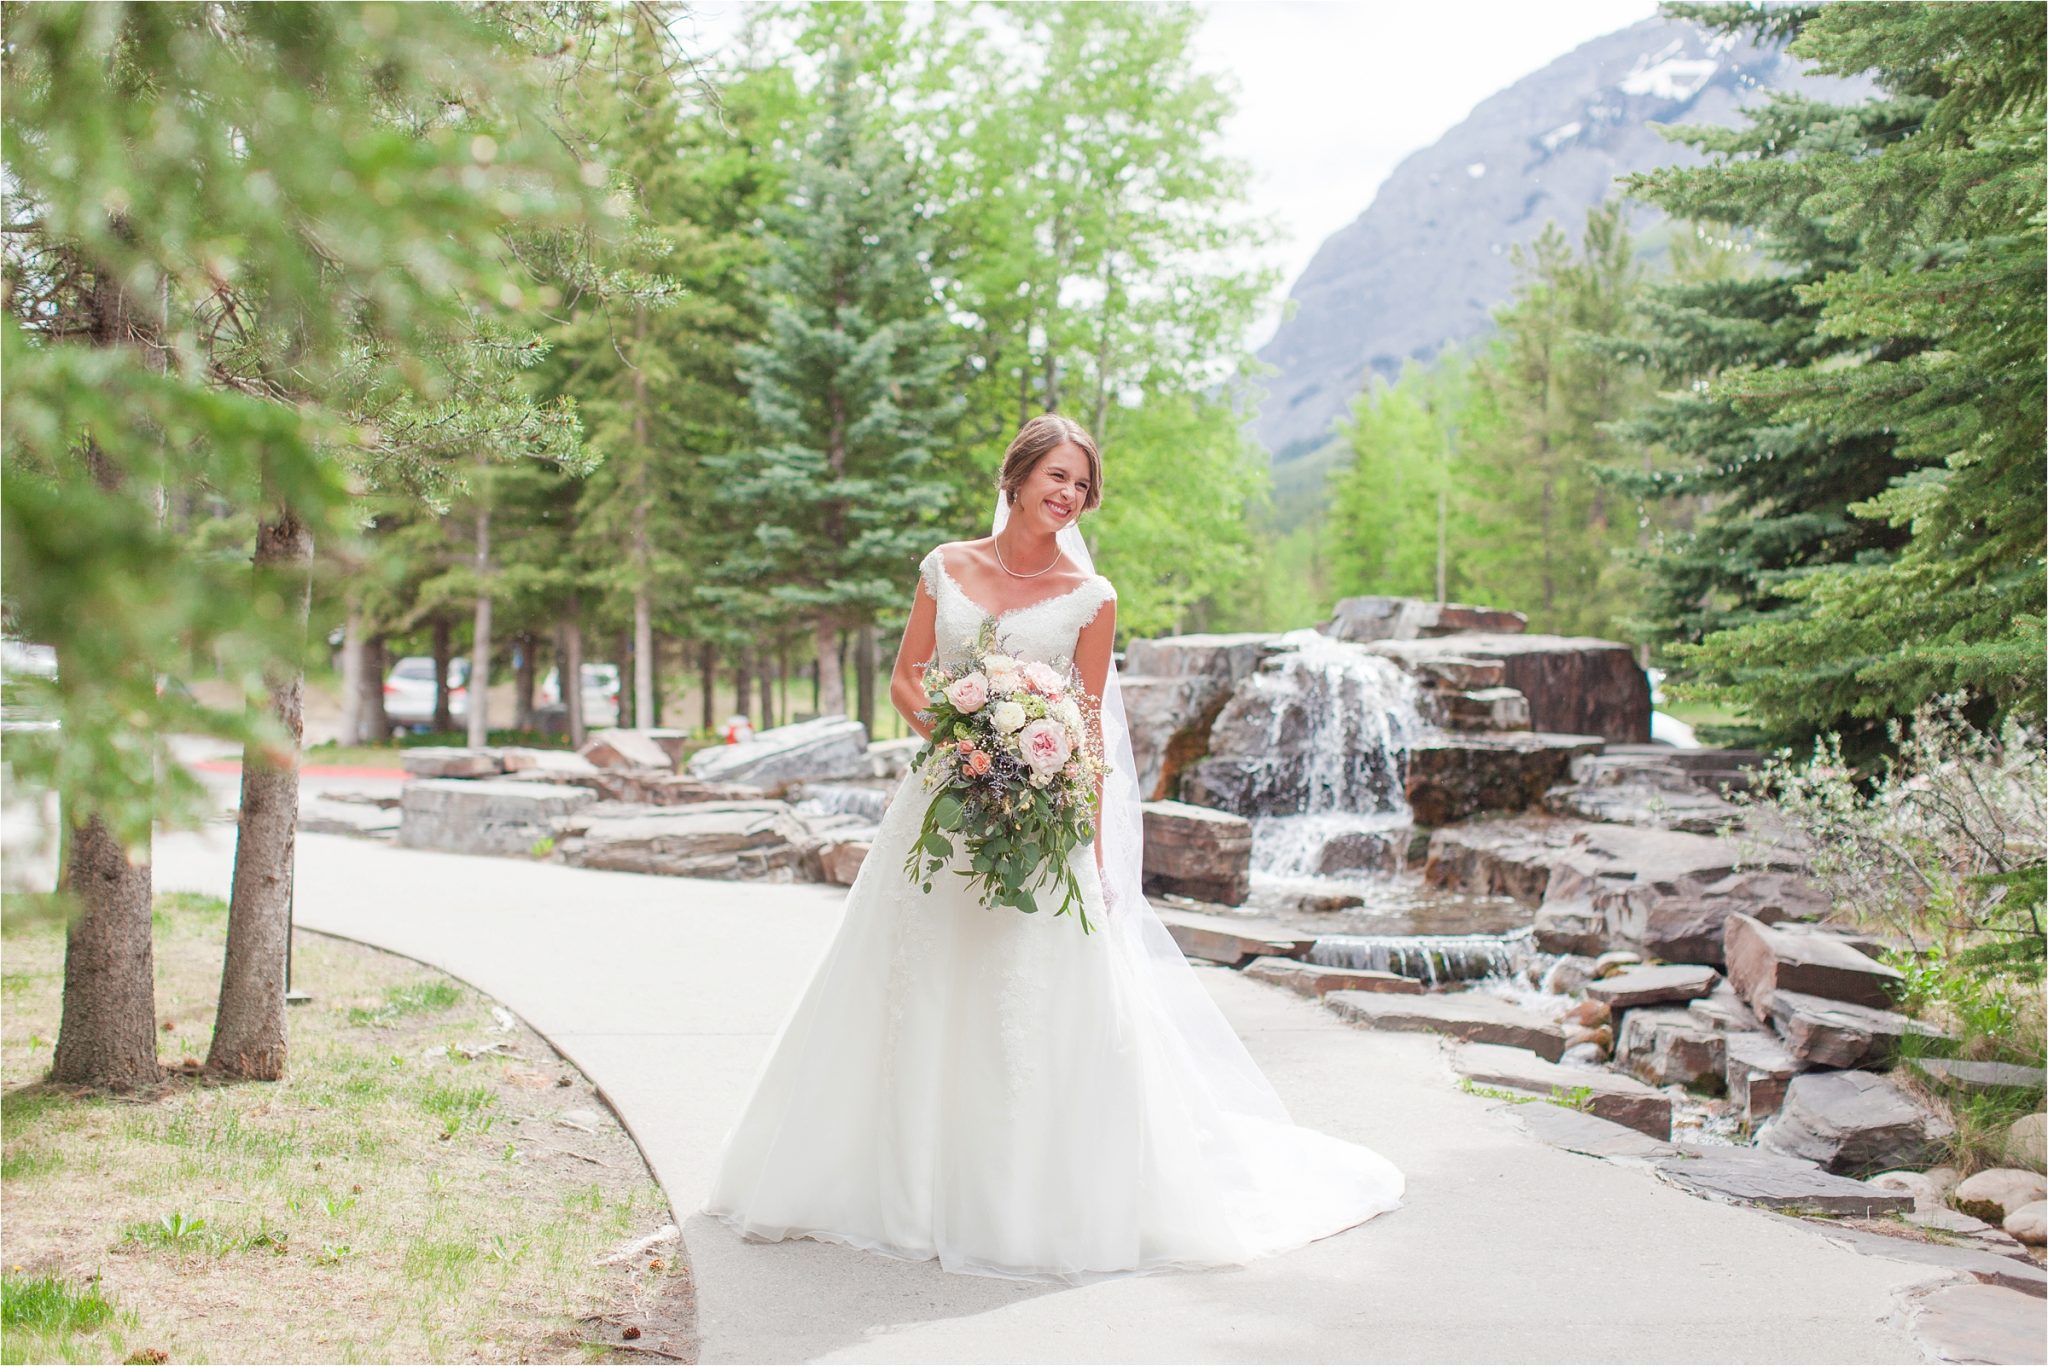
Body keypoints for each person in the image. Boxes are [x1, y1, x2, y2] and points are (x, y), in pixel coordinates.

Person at [702, 414, 1403, 1283]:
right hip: (940, 806)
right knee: (913, 980)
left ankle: (1013, 1195)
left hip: (1038, 817)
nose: (1068, 494)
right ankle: (891, 1183)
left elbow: (1090, 729)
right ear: (1019, 474)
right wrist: (962, 740)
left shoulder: (1091, 596)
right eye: (1057, 476)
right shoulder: (946, 566)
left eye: (1081, 484)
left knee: (1020, 993)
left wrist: (1094, 849)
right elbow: (907, 676)